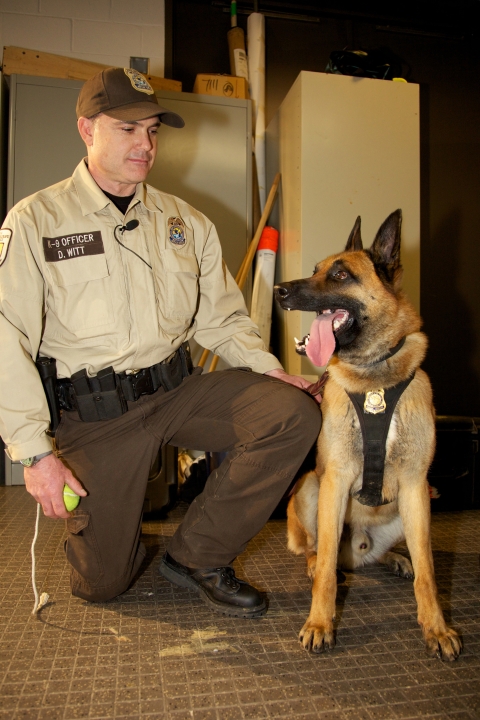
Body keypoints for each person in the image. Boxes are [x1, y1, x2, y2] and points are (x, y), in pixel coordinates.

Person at [0, 68, 321, 617]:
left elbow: (221, 318)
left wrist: (269, 370)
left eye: (152, 130)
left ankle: (197, 554)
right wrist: (34, 454)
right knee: (103, 584)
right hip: (96, 417)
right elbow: (7, 336)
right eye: (127, 129)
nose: (145, 145)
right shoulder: (36, 222)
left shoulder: (184, 222)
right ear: (86, 129)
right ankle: (109, 532)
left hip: (176, 392)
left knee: (290, 414)